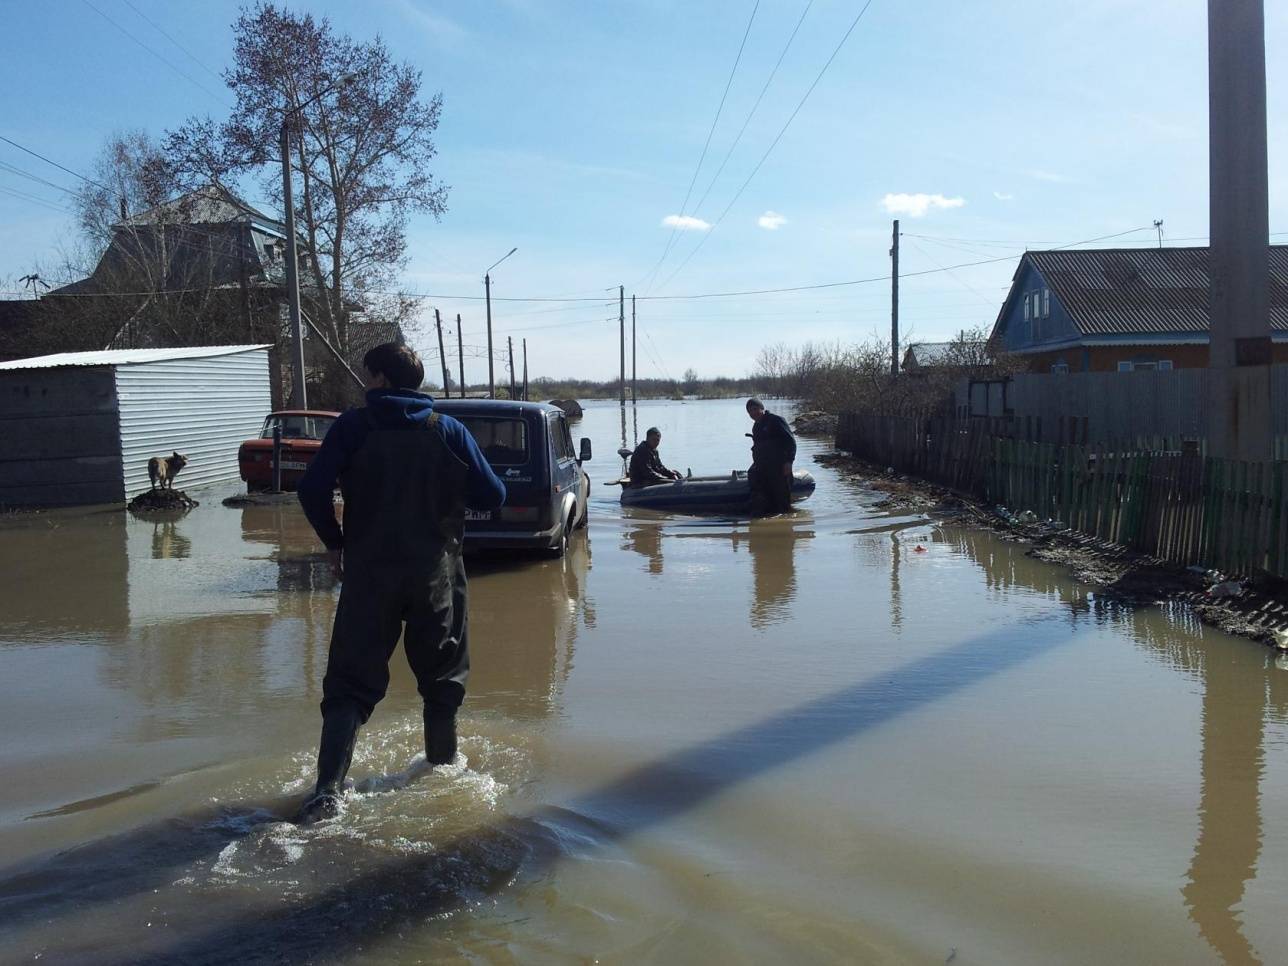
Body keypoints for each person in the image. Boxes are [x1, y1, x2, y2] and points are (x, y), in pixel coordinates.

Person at [294, 343, 506, 824]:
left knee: (350, 683)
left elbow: (311, 490)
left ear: (382, 380)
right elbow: (493, 494)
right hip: (437, 575)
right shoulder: (447, 429)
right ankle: (443, 772)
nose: (365, 385)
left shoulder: (353, 426)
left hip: (369, 575)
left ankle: (327, 793)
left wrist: (334, 542)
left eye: (369, 376)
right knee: (442, 679)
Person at [745, 398, 797, 515]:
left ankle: (785, 524)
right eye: (750, 411)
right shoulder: (756, 427)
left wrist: (789, 462)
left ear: (762, 408)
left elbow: (791, 442)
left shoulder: (776, 420)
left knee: (782, 503)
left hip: (779, 466)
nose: (753, 413)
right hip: (763, 467)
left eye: (755, 409)